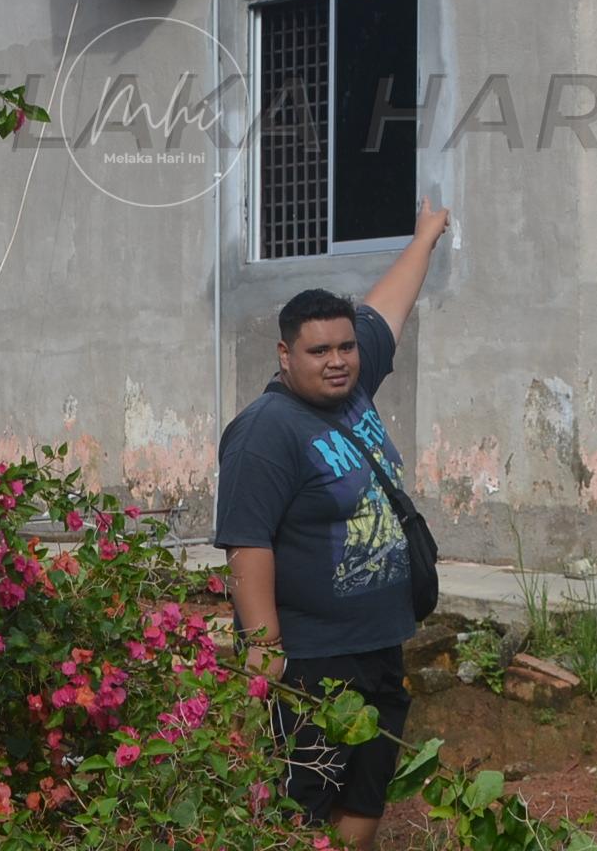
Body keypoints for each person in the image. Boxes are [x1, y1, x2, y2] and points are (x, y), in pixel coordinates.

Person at [213, 197, 450, 850]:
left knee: (367, 790)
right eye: (320, 350)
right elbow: (247, 541)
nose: (339, 359)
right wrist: (264, 648)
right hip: (315, 658)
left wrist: (427, 234)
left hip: (380, 639)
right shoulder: (266, 431)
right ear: (286, 354)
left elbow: (389, 308)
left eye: (346, 345)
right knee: (308, 803)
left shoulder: (353, 384)